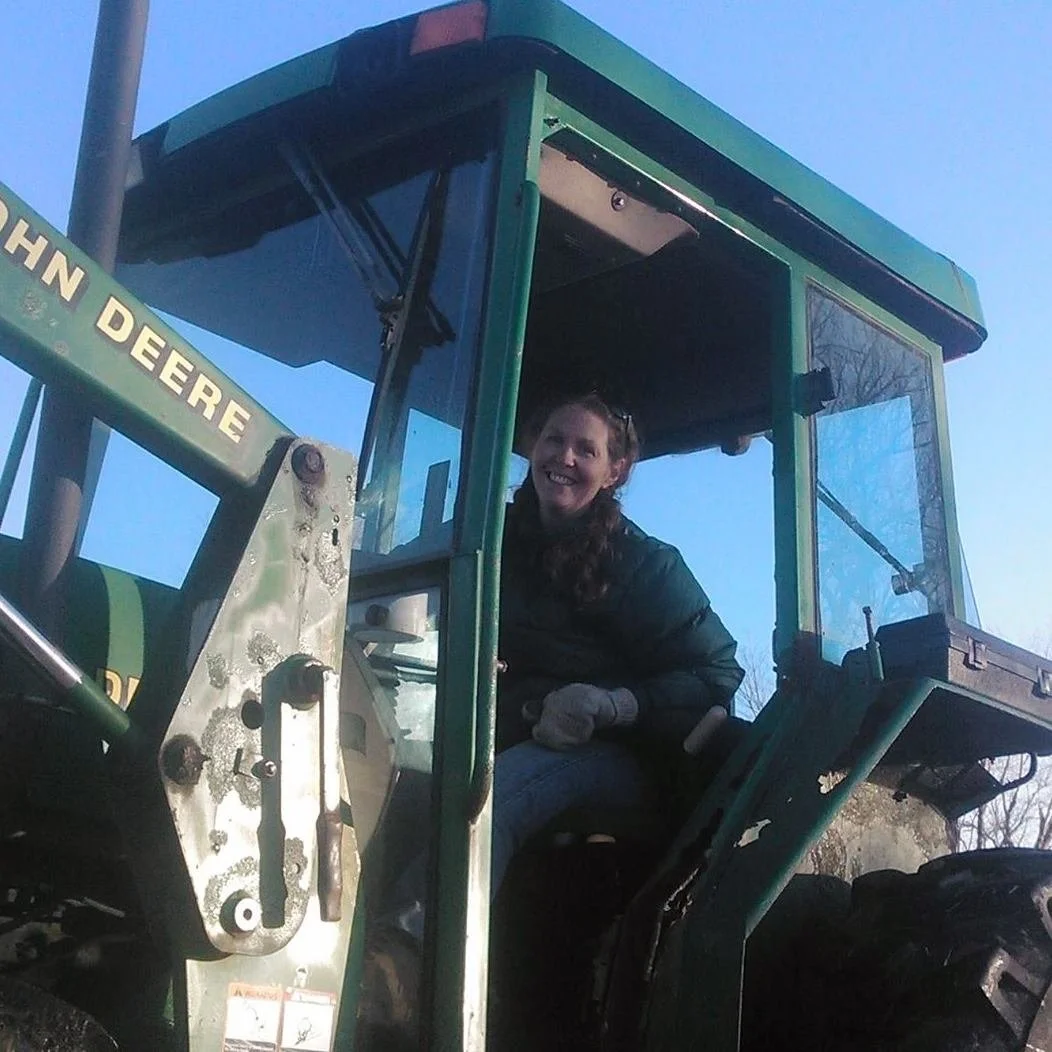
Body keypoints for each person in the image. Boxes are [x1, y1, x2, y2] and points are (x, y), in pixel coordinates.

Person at [492, 392, 744, 894]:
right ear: (532, 448)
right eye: (554, 440)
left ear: (614, 472)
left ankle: (407, 936)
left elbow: (716, 673)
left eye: (586, 450)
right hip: (510, 730)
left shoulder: (646, 565)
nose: (565, 457)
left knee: (487, 802)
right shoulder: (487, 537)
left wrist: (614, 705)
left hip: (619, 754)